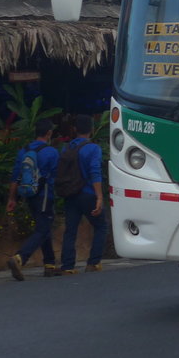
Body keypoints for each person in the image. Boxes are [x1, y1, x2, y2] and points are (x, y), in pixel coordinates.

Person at [5, 119, 60, 280]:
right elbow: (56, 176)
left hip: (29, 195)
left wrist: (12, 198)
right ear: (49, 133)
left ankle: (49, 265)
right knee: (43, 229)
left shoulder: (23, 151)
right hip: (45, 195)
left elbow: (15, 177)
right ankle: (20, 258)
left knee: (44, 227)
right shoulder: (51, 152)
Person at [59, 114, 108, 274]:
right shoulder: (93, 148)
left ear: (74, 130)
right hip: (87, 194)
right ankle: (93, 262)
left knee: (70, 230)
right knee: (101, 226)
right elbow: (95, 172)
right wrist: (99, 196)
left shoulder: (66, 148)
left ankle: (67, 266)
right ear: (92, 130)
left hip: (70, 194)